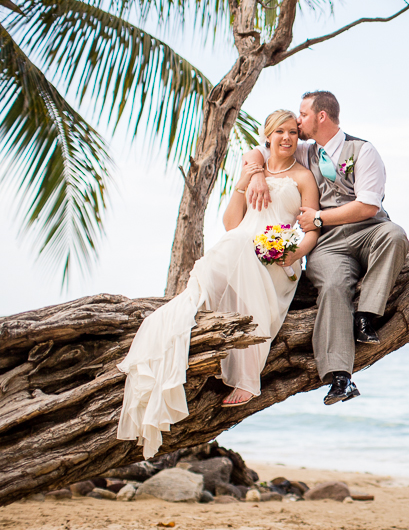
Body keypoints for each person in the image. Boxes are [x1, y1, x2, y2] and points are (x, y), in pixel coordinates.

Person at [117, 110, 320, 459]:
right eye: (279, 131)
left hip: (277, 260)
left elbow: (312, 228)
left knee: (238, 246)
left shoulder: (303, 177)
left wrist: (294, 253)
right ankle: (183, 323)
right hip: (240, 245)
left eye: (292, 132)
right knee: (229, 249)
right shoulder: (250, 170)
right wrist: (246, 180)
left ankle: (247, 376)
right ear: (267, 135)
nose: (287, 138)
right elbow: (231, 222)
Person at [243, 91, 409, 405]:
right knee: (333, 286)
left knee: (395, 235)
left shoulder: (362, 151)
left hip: (369, 230)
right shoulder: (305, 151)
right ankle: (340, 378)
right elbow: (256, 150)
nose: (297, 121)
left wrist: (319, 217)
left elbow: (369, 206)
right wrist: (255, 176)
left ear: (321, 116)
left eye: (302, 115)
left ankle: (366, 315)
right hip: (329, 244)